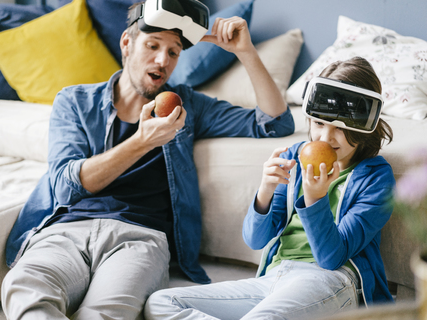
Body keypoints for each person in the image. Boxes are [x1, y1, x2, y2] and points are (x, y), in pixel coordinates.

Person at [0, 0, 295, 318]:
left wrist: (245, 52)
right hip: (69, 231)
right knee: (26, 288)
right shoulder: (75, 101)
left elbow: (274, 122)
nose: (162, 60)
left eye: (173, 52)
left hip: (140, 238)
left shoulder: (186, 106)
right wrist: (142, 142)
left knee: (106, 312)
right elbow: (66, 187)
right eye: (153, 45)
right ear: (127, 44)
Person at [144, 56, 395, 320]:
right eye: (319, 123)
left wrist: (315, 198)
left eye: (340, 128)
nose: (325, 138)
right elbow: (255, 239)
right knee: (161, 302)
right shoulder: (295, 158)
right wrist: (265, 190)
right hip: (276, 276)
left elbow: (332, 258)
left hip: (330, 281)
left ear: (363, 128)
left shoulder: (376, 178)